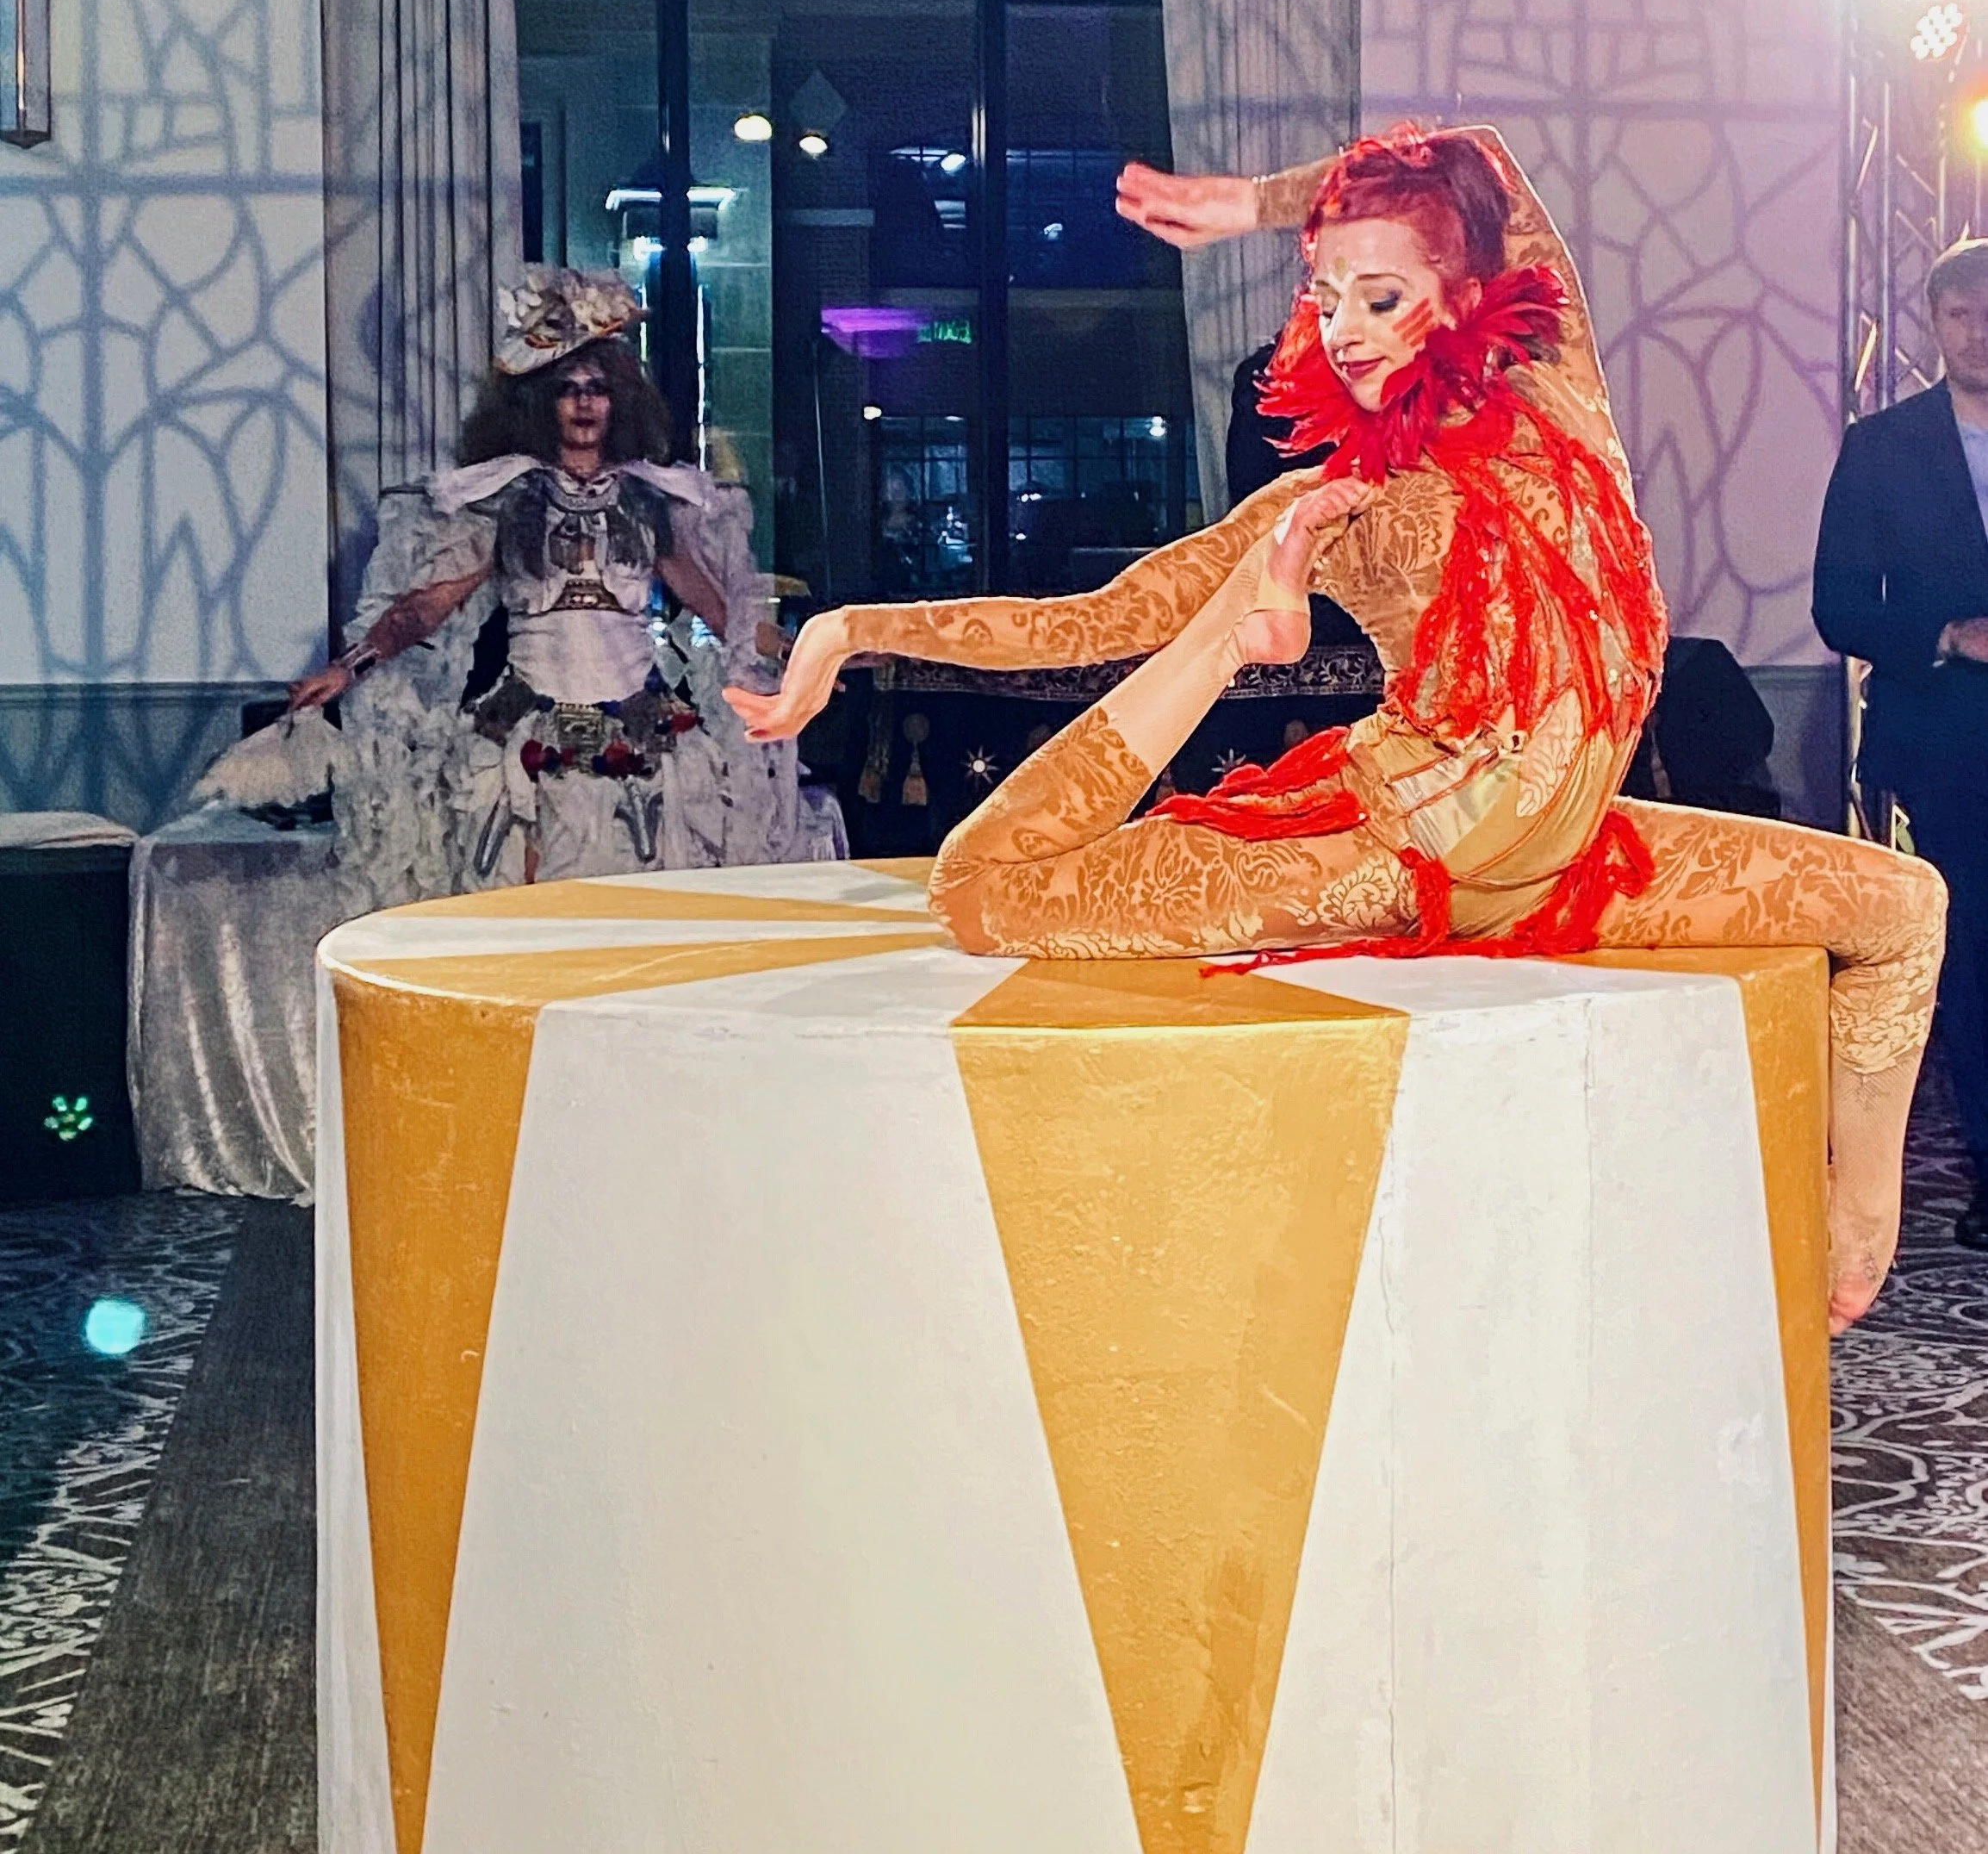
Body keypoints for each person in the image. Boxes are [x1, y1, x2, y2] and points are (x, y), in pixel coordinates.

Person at [731, 128, 1946, 1330]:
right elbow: (1094, 621)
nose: (1346, 327)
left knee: (1902, 908)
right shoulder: (1328, 504)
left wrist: (1260, 201)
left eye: (1380, 294)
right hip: (1387, 850)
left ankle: (1860, 1218)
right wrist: (855, 626)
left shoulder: (1557, 394)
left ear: (1465, 294)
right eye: (1324, 299)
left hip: (1575, 866)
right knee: (984, 892)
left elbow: (1478, 155)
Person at [289, 265, 797, 885]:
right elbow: (425, 608)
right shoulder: (507, 496)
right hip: (526, 739)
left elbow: (724, 616)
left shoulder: (648, 499)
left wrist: (803, 658)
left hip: (644, 736)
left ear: (619, 401)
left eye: (598, 388)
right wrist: (350, 667)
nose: (584, 401)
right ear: (539, 404)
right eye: (568, 388)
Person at [1814, 235, 1988, 1247]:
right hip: (1943, 737)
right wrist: (1946, 636)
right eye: (1959, 313)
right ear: (1933, 324)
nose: (1978, 331)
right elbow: (1838, 607)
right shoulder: (1881, 447)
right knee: (1972, 954)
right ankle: (1984, 1169)